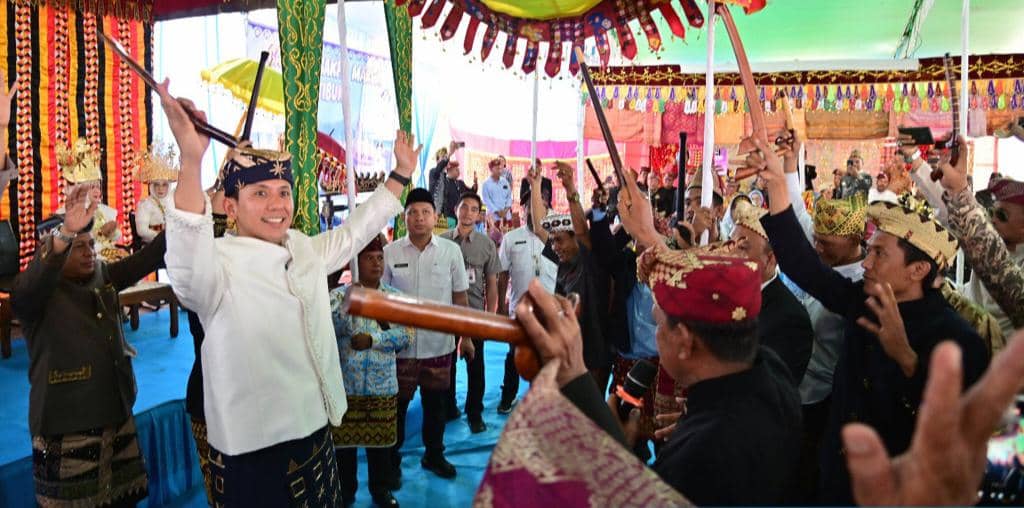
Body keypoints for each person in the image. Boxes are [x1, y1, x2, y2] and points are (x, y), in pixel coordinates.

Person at [157, 79, 418, 505]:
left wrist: (400, 174)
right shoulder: (216, 266)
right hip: (256, 454)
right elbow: (185, 262)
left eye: (283, 192)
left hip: (316, 431)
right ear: (231, 207)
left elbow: (354, 233)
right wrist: (191, 160)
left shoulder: (303, 249)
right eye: (259, 194)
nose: (276, 205)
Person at [749, 135, 990, 504]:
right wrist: (779, 184)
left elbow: (964, 435)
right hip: (838, 484)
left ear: (918, 269)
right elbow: (804, 266)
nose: (865, 263)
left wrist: (907, 359)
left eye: (879, 255)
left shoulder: (958, 338)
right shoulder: (864, 300)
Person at [512, 241, 803, 505]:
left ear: (686, 342)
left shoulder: (700, 457)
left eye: (659, 324)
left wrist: (613, 448)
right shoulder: (772, 373)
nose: (655, 333)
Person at [12, 184, 167, 507]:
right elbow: (27, 290)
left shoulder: (101, 275)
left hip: (115, 413)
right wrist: (66, 232)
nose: (89, 252)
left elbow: (150, 257)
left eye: (91, 244)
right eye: (77, 247)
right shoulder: (37, 295)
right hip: (67, 427)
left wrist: (192, 209)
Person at [383, 187, 472, 480]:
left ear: (435, 217)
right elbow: (381, 299)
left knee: (436, 408)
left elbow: (460, 298)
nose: (419, 218)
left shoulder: (451, 252)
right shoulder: (390, 252)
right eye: (412, 213)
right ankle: (391, 465)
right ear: (404, 217)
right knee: (396, 410)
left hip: (439, 345)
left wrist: (466, 337)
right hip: (400, 349)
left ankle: (434, 456)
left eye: (425, 212)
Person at [329, 235, 413, 508]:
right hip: (346, 387)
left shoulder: (395, 298)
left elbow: (405, 336)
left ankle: (381, 490)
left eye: (380, 258)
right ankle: (346, 491)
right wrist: (349, 304)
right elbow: (327, 331)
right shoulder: (338, 297)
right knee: (345, 450)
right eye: (369, 258)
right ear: (356, 262)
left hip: (382, 386)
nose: (376, 264)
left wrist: (374, 341)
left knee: (381, 448)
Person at [530, 162, 612, 390]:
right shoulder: (562, 261)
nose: (555, 246)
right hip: (568, 348)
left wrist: (570, 189)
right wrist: (535, 186)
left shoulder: (590, 259)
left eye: (560, 240)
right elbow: (538, 228)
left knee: (590, 412)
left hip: (594, 351)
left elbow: (582, 231)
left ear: (575, 239)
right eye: (554, 241)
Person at [730, 199, 814, 385]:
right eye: (730, 244)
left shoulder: (790, 319)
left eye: (742, 248)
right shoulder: (724, 295)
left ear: (769, 259)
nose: (731, 255)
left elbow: (768, 394)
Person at [496, 170, 558, 414]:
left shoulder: (558, 237)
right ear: (522, 208)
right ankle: (508, 395)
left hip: (551, 309)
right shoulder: (511, 239)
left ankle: (544, 401)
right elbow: (502, 274)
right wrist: (500, 304)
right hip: (519, 309)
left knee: (548, 357)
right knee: (513, 356)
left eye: (540, 203)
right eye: (528, 204)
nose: (533, 209)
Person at [441, 192, 501, 434]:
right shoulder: (442, 242)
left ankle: (474, 413)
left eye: (474, 209)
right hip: (446, 314)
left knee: (476, 366)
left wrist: (491, 316)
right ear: (456, 210)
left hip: (475, 315)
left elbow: (493, 284)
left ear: (479, 215)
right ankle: (448, 408)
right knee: (447, 364)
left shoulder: (486, 244)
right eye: (464, 207)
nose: (468, 213)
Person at [55, 139, 124, 262]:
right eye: (92, 187)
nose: (97, 191)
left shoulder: (103, 211)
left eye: (98, 186)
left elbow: (115, 238)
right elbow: (74, 248)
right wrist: (101, 234)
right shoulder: (63, 215)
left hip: (106, 257)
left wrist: (113, 232)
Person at [133, 144, 178, 244]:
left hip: (171, 244)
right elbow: (141, 231)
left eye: (164, 185)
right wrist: (162, 237)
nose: (160, 189)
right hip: (152, 246)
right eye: (156, 185)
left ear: (169, 186)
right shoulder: (145, 204)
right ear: (151, 186)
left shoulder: (172, 201)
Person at [481, 157, 512, 226]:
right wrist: (497, 211)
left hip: (506, 216)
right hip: (493, 218)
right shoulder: (486, 184)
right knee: (493, 236)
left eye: (500, 168)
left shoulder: (505, 182)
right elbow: (486, 200)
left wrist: (506, 210)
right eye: (497, 169)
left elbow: (509, 197)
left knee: (507, 236)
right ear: (491, 169)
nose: (500, 171)